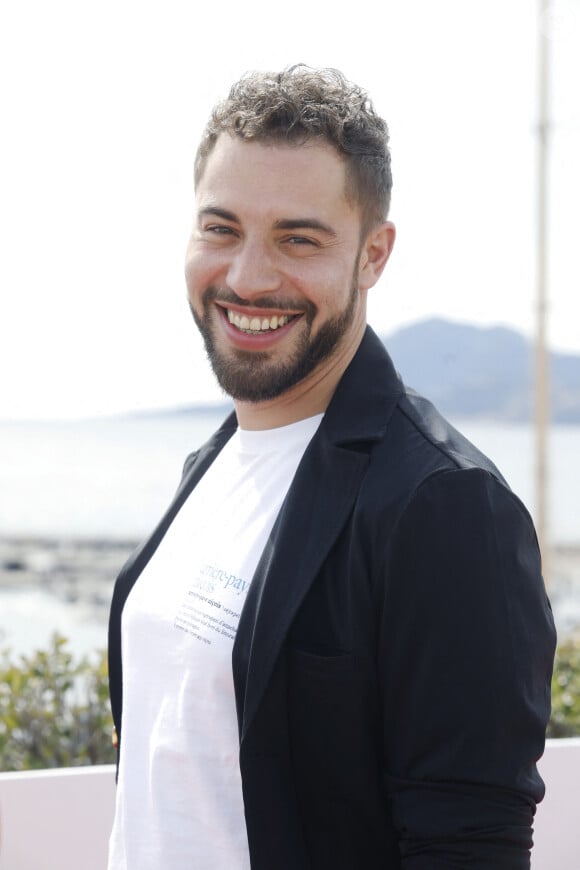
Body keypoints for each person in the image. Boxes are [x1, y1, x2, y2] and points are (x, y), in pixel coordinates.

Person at [107, 65, 556, 869]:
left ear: (373, 254)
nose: (247, 276)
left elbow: (469, 846)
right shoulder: (212, 464)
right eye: (221, 228)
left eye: (298, 238)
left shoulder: (446, 506)